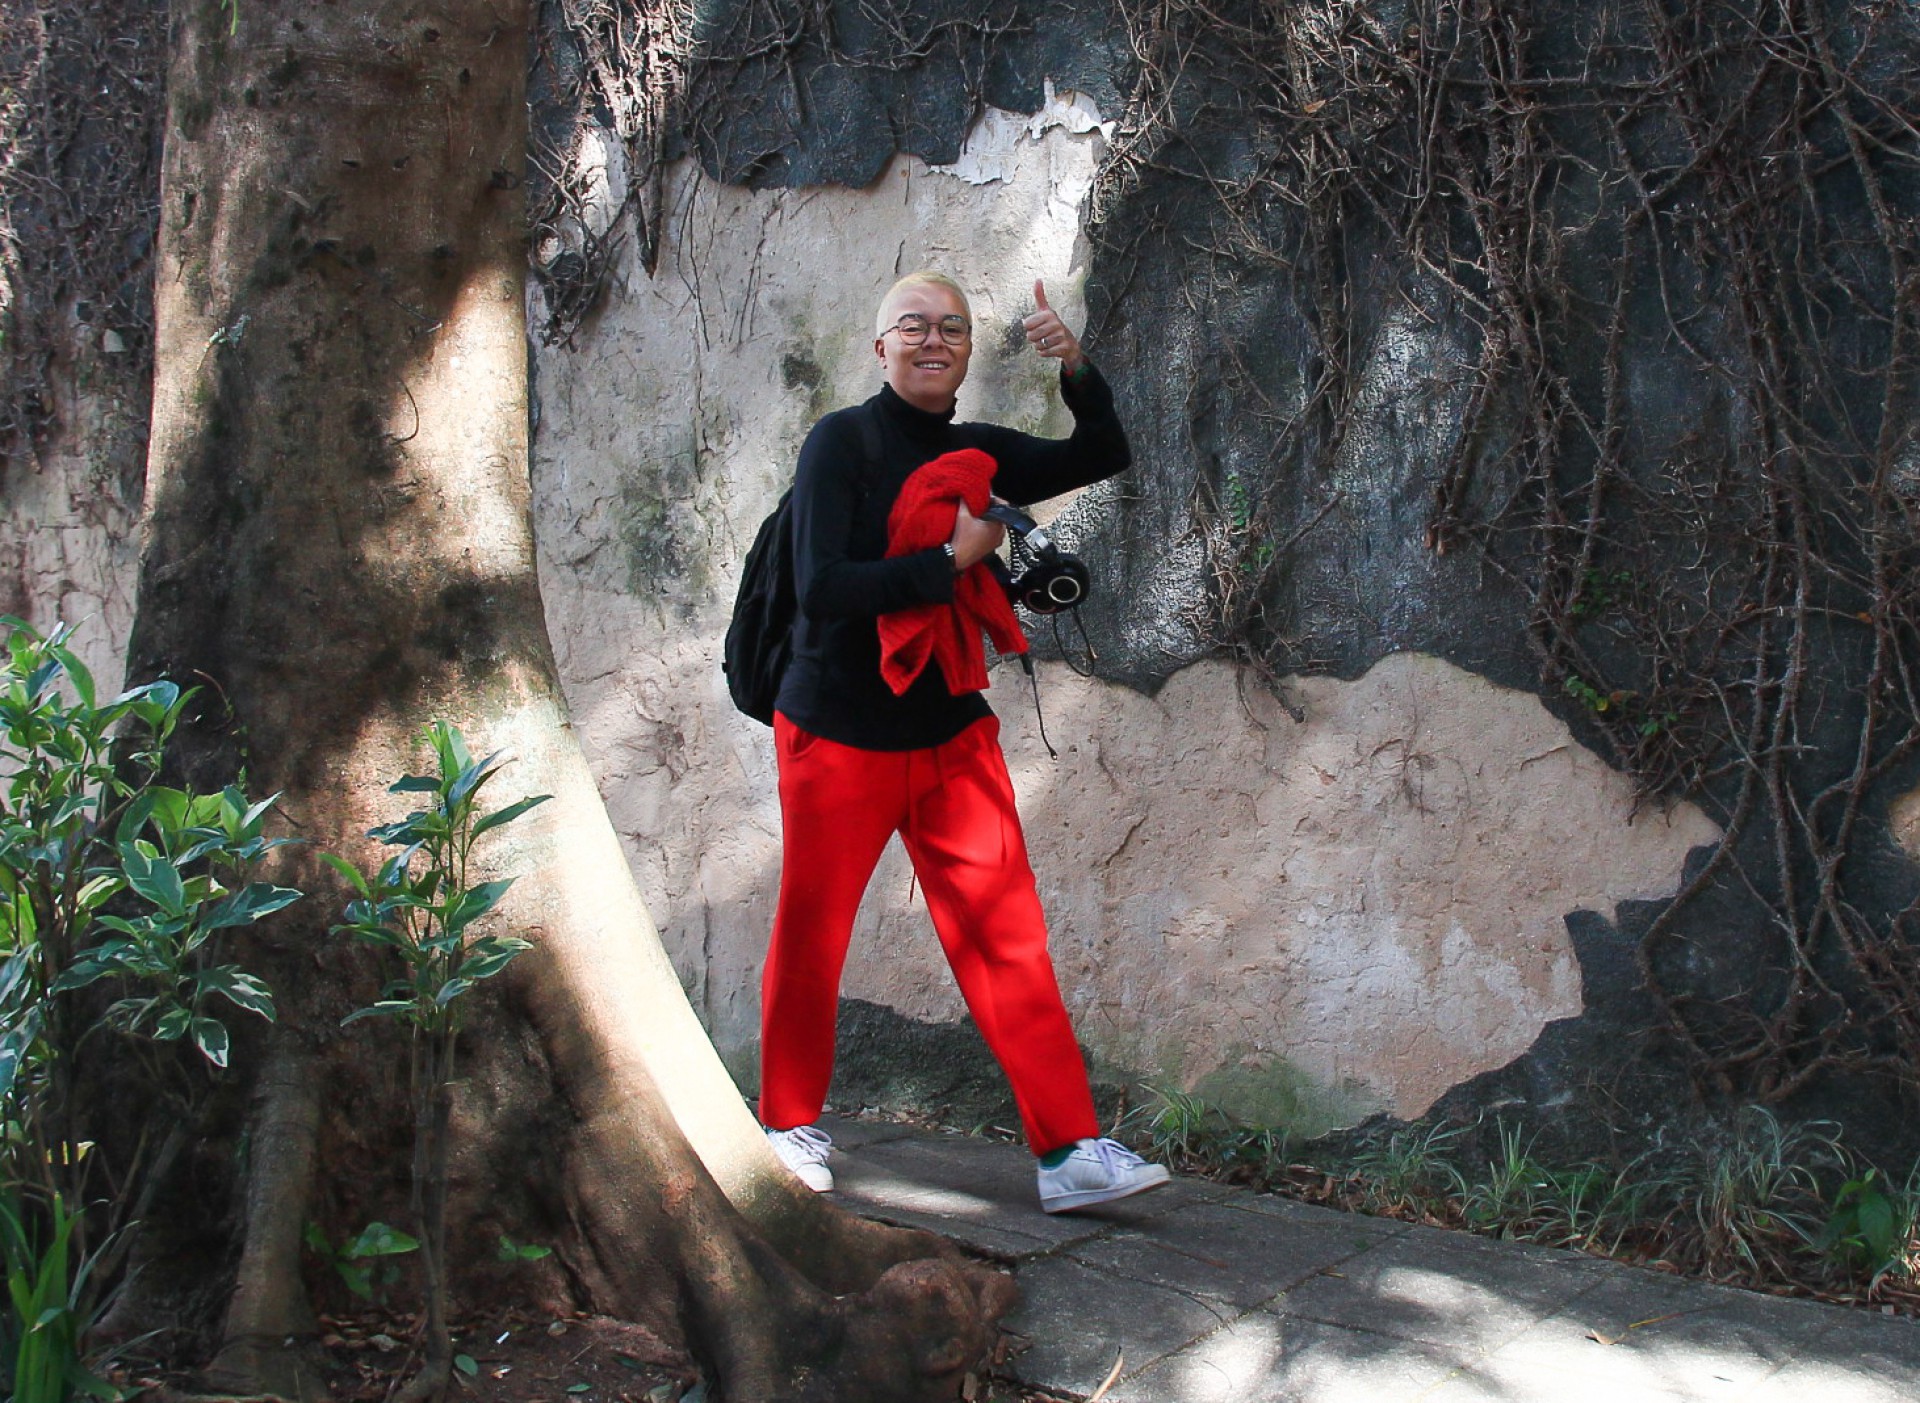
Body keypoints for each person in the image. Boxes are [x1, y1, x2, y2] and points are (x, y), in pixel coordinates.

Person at [758, 270, 1169, 1213]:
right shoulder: (841, 442)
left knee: (1007, 937)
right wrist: (952, 561)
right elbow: (822, 585)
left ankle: (1069, 1151)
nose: (934, 339)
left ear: (969, 351)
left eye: (953, 328)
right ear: (880, 346)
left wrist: (1076, 367)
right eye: (914, 325)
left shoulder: (978, 455)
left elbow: (1101, 450)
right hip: (837, 731)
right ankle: (787, 1125)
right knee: (813, 932)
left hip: (948, 730)